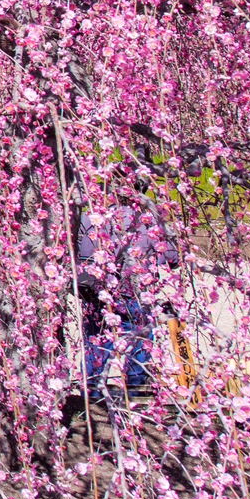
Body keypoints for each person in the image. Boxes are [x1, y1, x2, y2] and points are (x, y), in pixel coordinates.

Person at [76, 170, 181, 401]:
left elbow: (80, 254)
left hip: (96, 291)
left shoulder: (91, 216)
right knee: (139, 339)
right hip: (136, 291)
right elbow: (173, 257)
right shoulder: (151, 220)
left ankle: (91, 393)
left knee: (96, 340)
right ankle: (135, 391)